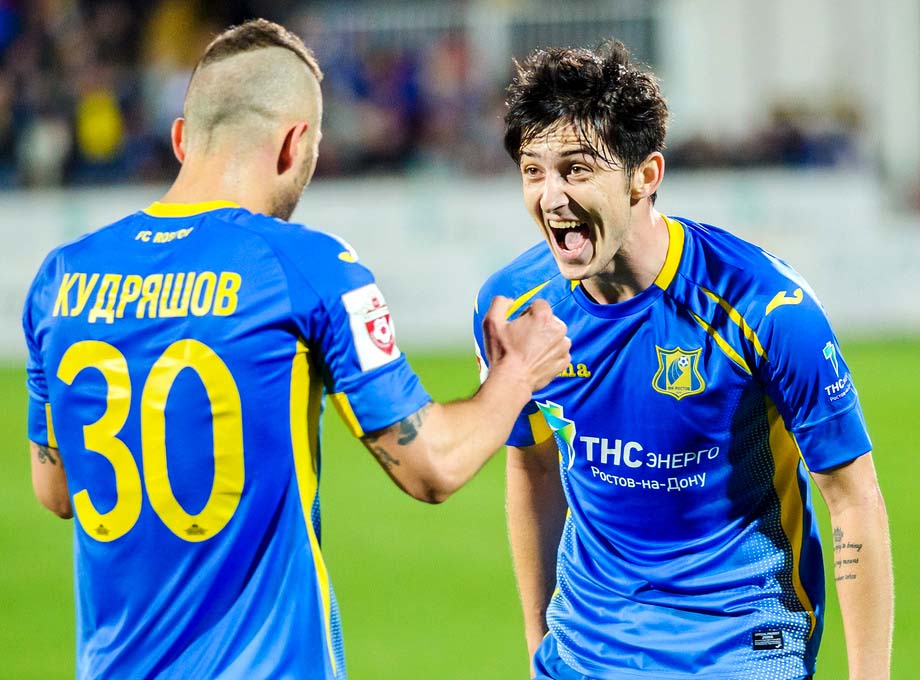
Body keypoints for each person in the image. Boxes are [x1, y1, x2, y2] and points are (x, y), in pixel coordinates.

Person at [22, 19, 570, 680]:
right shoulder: (305, 266)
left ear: (181, 139)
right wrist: (518, 370)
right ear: (295, 144)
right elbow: (433, 466)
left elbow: (57, 489)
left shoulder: (61, 278)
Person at [473, 41, 892, 680]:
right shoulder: (513, 309)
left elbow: (852, 496)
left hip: (741, 646)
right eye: (534, 171)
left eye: (577, 169)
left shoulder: (765, 307)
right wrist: (541, 645)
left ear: (645, 174)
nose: (551, 196)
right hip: (585, 652)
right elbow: (530, 459)